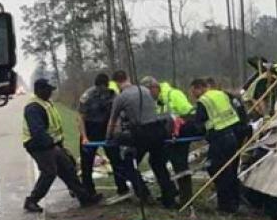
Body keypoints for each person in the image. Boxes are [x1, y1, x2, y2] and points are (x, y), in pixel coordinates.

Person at [23, 79, 101, 212]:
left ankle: (84, 197)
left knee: (68, 168)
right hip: (38, 146)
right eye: (48, 90)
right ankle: (32, 201)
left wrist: (58, 144)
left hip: (52, 144)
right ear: (40, 90)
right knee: (49, 172)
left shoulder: (46, 103)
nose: (51, 93)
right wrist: (52, 145)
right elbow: (37, 131)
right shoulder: (33, 107)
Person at [107, 71, 178, 209]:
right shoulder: (145, 90)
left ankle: (144, 194)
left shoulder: (121, 97)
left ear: (116, 83)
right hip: (158, 130)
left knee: (129, 164)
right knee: (158, 163)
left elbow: (112, 120)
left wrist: (109, 137)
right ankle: (169, 198)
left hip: (141, 133)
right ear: (128, 78)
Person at [188, 79, 243, 212]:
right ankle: (234, 202)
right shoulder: (221, 94)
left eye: (193, 91)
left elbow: (199, 125)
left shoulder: (203, 101)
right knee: (230, 170)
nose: (193, 95)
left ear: (199, 88)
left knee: (217, 170)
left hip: (219, 139)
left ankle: (225, 206)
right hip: (232, 136)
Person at [78, 73, 129, 197]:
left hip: (107, 129)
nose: (102, 90)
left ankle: (122, 189)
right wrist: (84, 137)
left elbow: (117, 115)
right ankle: (89, 192)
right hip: (90, 128)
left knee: (116, 160)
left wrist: (115, 132)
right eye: (99, 87)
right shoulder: (87, 96)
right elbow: (80, 117)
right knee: (87, 164)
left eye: (104, 87)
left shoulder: (113, 95)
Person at [152, 79, 194, 204]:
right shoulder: (158, 101)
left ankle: (186, 198)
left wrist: (179, 124)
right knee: (156, 161)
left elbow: (189, 112)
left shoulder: (174, 94)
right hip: (168, 139)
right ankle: (169, 192)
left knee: (180, 165)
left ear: (154, 88)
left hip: (180, 137)